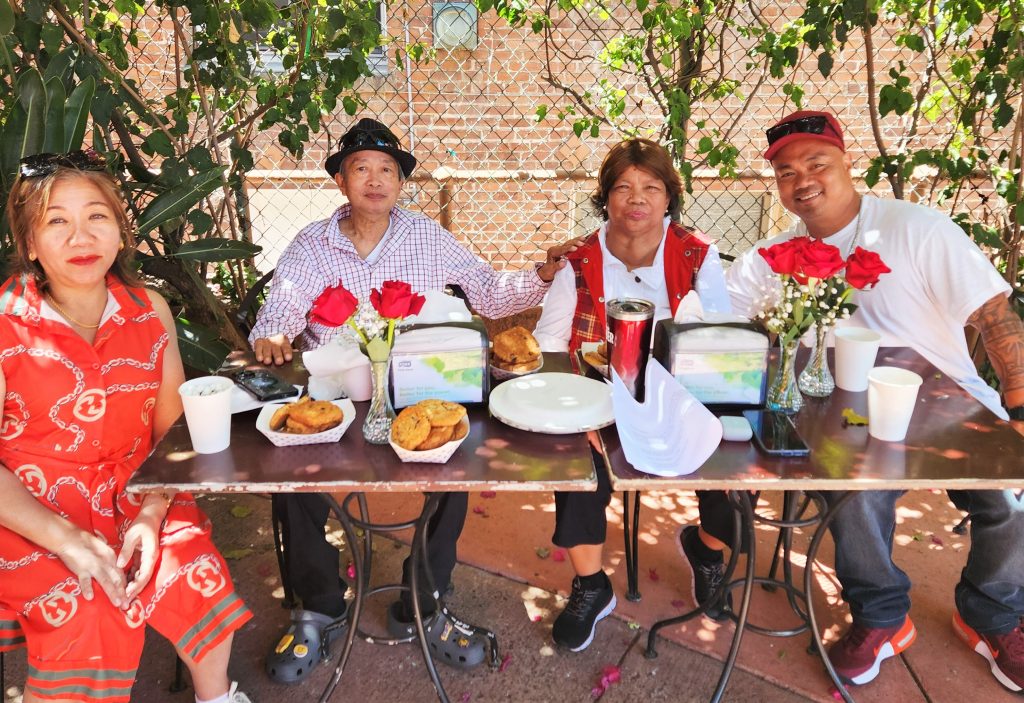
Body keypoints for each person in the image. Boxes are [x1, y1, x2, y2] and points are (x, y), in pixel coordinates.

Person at [251, 117, 573, 684]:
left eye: (387, 171)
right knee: (290, 471)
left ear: (400, 183)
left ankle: (424, 597)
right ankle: (321, 603)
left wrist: (543, 272)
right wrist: (273, 334)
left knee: (455, 460)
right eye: (361, 169)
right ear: (341, 181)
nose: (375, 181)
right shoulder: (311, 245)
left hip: (417, 393)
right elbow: (279, 311)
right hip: (338, 398)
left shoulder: (426, 236)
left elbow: (490, 293)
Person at [726, 110, 1024, 691]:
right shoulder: (774, 254)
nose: (803, 179)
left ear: (846, 161)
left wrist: (1019, 406)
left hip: (950, 401)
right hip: (846, 412)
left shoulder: (917, 229)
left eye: (817, 163)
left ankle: (991, 612)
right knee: (850, 485)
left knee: (1013, 496)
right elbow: (718, 318)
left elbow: (994, 315)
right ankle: (881, 617)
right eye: (787, 172)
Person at [0, 150, 252, 703]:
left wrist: (154, 510)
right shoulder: (5, 324)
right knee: (87, 609)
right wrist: (66, 540)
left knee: (193, 571)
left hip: (138, 489)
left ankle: (217, 697)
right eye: (56, 221)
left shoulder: (148, 309)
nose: (80, 236)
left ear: (119, 233)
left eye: (96, 216)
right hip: (31, 510)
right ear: (29, 245)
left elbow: (171, 430)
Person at [532, 137, 731, 651]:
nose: (636, 199)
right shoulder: (579, 260)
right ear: (605, 197)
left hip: (681, 391)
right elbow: (551, 341)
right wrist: (579, 410)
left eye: (651, 187)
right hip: (595, 389)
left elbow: (720, 336)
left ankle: (707, 551)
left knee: (732, 454)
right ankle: (591, 586)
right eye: (622, 188)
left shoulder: (697, 255)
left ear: (669, 197)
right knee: (576, 464)